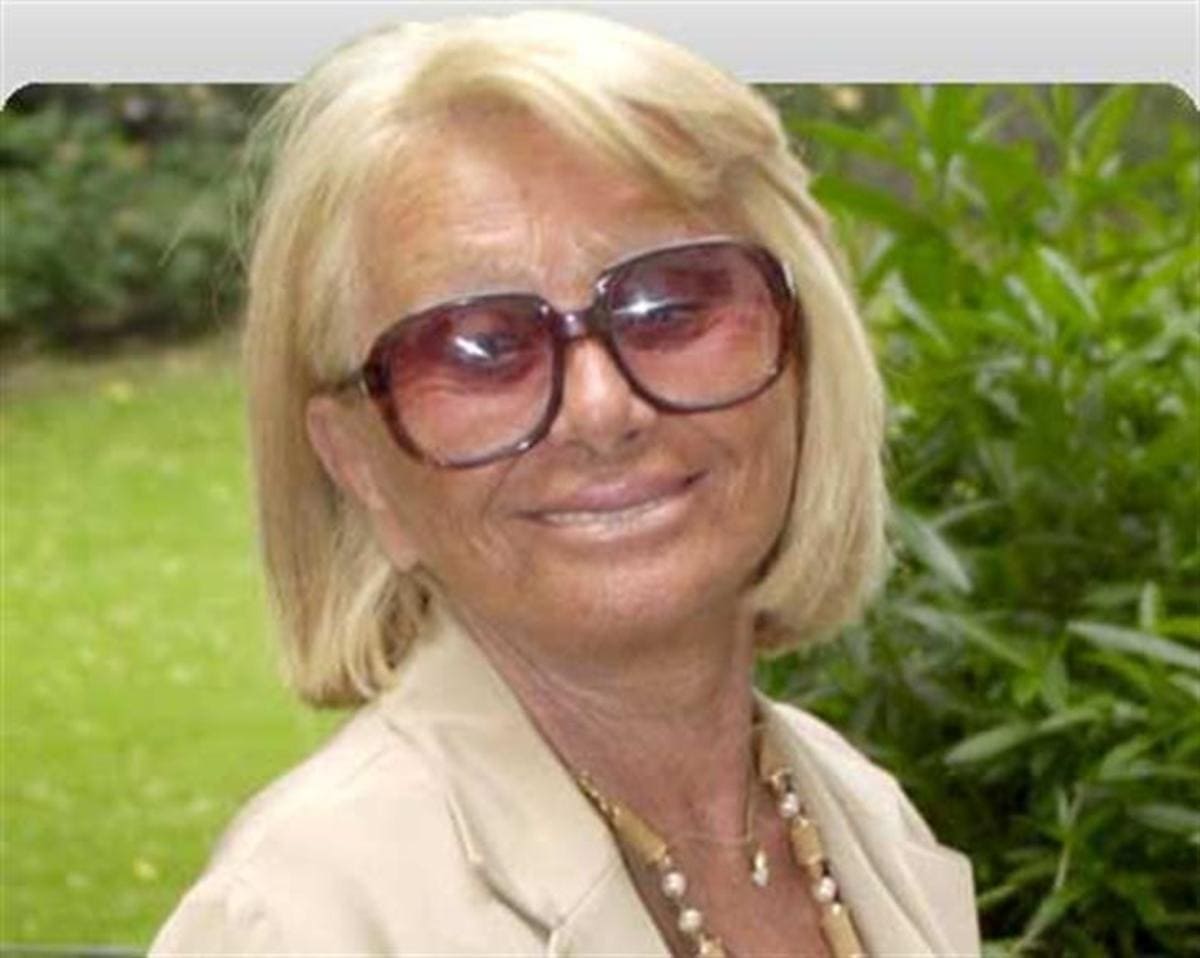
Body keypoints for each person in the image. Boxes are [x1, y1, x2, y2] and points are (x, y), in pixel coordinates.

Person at [151, 10, 979, 957]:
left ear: (803, 354)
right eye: (480, 347)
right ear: (359, 465)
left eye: (671, 304)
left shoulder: (869, 822)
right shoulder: (301, 921)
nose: (601, 408)